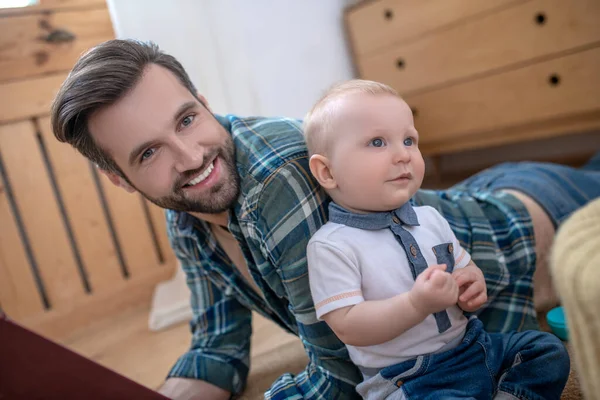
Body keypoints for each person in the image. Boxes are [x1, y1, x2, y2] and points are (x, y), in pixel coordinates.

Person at [49, 39, 600, 399]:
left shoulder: (279, 175)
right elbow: (218, 347)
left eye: (188, 119)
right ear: (120, 179)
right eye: (149, 153)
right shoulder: (189, 220)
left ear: (202, 99)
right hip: (468, 196)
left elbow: (341, 375)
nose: (190, 156)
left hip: (528, 224)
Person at [303, 79, 570, 399]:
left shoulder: (429, 218)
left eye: (409, 140)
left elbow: (464, 268)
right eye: (377, 142)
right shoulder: (332, 245)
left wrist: (472, 283)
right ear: (328, 172)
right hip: (409, 376)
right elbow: (349, 326)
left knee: (546, 350)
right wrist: (416, 304)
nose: (403, 155)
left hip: (474, 345)